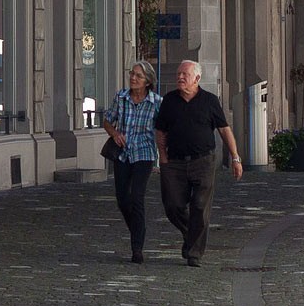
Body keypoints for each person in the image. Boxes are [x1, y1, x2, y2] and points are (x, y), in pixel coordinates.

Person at [153, 60, 242, 266]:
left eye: (185, 74)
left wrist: (235, 157)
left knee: (200, 207)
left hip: (203, 161)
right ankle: (191, 234)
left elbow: (224, 129)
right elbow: (160, 131)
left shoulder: (209, 101)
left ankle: (194, 253)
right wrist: (163, 158)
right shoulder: (169, 100)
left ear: (197, 78)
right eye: (178, 74)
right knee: (173, 205)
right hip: (174, 162)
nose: (180, 77)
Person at [102, 61, 163, 263]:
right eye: (131, 74)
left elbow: (162, 130)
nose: (133, 78)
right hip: (123, 154)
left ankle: (137, 247)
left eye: (138, 76)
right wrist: (115, 133)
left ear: (147, 81)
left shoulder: (156, 103)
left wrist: (163, 155)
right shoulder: (121, 98)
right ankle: (137, 228)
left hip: (144, 154)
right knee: (122, 198)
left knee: (136, 196)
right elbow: (107, 120)